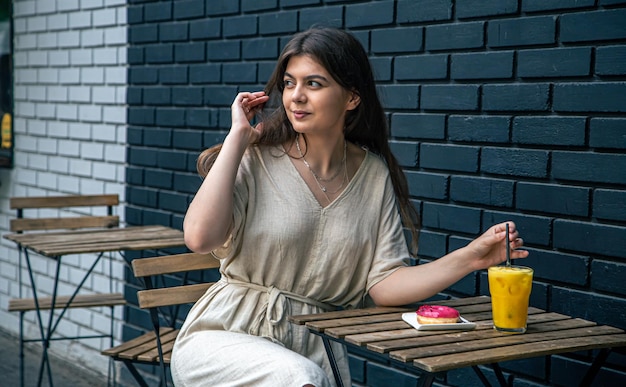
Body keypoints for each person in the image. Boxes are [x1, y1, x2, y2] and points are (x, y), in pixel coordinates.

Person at [170, 26, 528, 387]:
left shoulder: (373, 173)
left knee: (304, 375)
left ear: (352, 98)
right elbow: (200, 238)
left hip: (313, 346)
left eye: (314, 84)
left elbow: (385, 283)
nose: (296, 97)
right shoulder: (256, 157)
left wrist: (471, 258)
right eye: (290, 83)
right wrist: (237, 138)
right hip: (223, 336)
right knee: (297, 377)